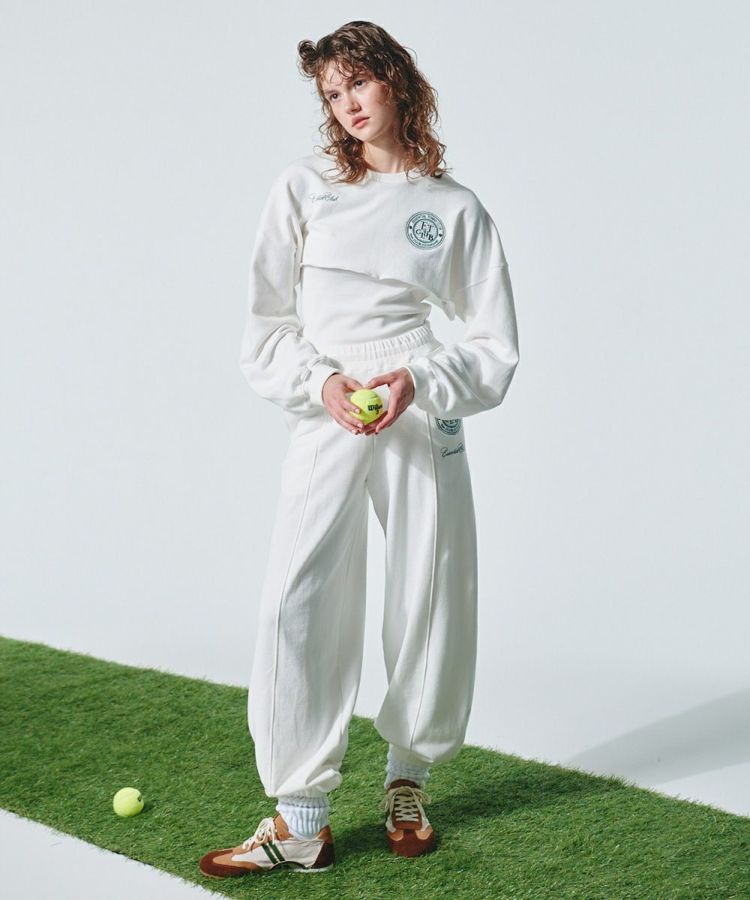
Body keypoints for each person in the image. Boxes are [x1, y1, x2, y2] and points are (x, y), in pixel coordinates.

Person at [199, 19, 519, 878]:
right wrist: (323, 384)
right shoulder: (303, 188)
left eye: (358, 84)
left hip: (418, 400)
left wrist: (421, 379)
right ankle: (301, 818)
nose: (346, 105)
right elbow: (266, 327)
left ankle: (408, 781)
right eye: (331, 93)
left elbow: (494, 347)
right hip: (331, 398)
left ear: (396, 81)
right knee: (296, 595)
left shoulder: (454, 207)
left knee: (431, 587)